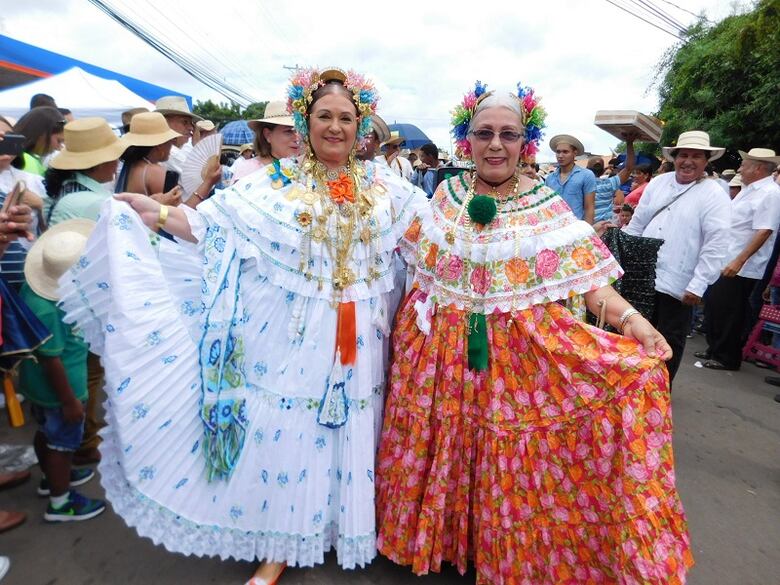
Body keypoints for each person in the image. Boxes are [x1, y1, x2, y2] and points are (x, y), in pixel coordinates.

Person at [58, 67, 427, 585]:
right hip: (295, 336)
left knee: (356, 423)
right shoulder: (274, 182)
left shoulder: (387, 188)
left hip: (363, 335)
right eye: (325, 116)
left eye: (347, 117)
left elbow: (428, 241)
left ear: (361, 124)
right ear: (305, 120)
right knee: (292, 427)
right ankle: (279, 543)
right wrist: (156, 217)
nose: (336, 127)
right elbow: (215, 225)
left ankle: (347, 524)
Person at [377, 81, 692, 585]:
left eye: (508, 134)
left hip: (516, 362)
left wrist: (637, 324)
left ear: (526, 143)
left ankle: (498, 552)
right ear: (467, 140)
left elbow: (592, 287)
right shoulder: (446, 193)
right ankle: (449, 541)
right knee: (455, 448)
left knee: (505, 458)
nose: (496, 144)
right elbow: (420, 271)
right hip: (440, 360)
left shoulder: (547, 206)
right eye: (484, 133)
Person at [623, 130, 731, 381]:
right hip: (642, 276)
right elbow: (638, 223)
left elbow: (717, 242)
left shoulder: (713, 194)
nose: (688, 161)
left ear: (706, 161)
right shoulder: (659, 183)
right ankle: (632, 389)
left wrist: (699, 284)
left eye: (696, 156)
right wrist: (624, 259)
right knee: (633, 334)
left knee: (669, 341)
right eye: (683, 155)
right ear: (674, 157)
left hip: (678, 283)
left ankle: (659, 394)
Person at [19, 219, 107, 522]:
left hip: (36, 387)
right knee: (62, 441)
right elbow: (51, 359)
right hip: (62, 390)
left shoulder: (34, 293)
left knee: (46, 434)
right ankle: (61, 502)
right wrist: (70, 401)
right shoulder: (50, 309)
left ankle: (51, 477)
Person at [699, 148, 780, 371]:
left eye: (744, 165)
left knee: (731, 311)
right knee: (716, 306)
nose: (740, 168)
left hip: (743, 264)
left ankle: (726, 356)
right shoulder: (749, 190)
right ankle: (715, 348)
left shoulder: (770, 193)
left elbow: (764, 231)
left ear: (759, 168)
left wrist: (740, 261)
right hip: (727, 257)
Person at [0, 115, 48, 289]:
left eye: (9, 136)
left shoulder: (35, 181)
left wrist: (40, 205)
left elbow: (51, 229)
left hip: (28, 275)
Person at [114, 112, 185, 208]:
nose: (171, 146)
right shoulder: (154, 171)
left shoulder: (131, 165)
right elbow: (177, 212)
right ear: (160, 145)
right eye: (170, 141)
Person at [231, 100, 300, 182]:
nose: (297, 138)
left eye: (299, 131)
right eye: (289, 131)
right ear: (267, 134)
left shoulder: (302, 167)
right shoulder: (248, 170)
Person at [545, 134, 597, 223]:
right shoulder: (549, 179)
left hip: (576, 229)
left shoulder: (586, 175)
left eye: (565, 152)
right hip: (553, 229)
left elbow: (589, 208)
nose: (560, 155)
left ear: (575, 153)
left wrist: (587, 232)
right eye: (558, 152)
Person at [589, 136, 636, 222]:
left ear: (586, 169)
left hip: (587, 229)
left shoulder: (580, 185)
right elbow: (629, 168)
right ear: (603, 171)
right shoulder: (609, 183)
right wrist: (629, 142)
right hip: (605, 228)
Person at [11, 107, 66, 177]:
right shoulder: (26, 162)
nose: (59, 147)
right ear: (42, 134)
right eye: (59, 141)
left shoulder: (13, 158)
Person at [154, 96, 202, 175]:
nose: (191, 128)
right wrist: (198, 145)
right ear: (165, 123)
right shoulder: (168, 151)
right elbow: (204, 177)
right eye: (185, 122)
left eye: (191, 124)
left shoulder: (176, 148)